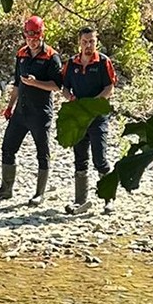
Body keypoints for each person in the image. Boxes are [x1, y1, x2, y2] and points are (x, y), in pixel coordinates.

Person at [0, 16, 63, 205]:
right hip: (21, 112)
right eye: (28, 36)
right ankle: (6, 189)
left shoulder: (51, 56)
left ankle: (39, 193)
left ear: (42, 34)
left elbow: (57, 85)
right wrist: (9, 107)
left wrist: (36, 83)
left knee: (42, 152)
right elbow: (17, 84)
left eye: (35, 36)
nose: (32, 40)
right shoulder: (21, 54)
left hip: (40, 112)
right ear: (24, 35)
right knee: (7, 148)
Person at [61, 27, 118, 214]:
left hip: (98, 117)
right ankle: (80, 201)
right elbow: (64, 88)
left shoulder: (103, 62)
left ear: (97, 41)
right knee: (79, 158)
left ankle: (109, 199)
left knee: (100, 159)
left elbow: (110, 87)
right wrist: (70, 98)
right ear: (79, 42)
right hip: (78, 118)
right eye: (85, 41)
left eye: (92, 41)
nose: (88, 45)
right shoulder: (72, 63)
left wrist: (95, 103)